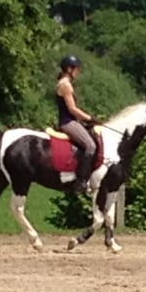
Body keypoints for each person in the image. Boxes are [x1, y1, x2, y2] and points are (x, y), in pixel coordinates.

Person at [56, 54, 99, 193]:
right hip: (68, 122)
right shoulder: (65, 85)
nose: (78, 72)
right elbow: (72, 109)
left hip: (72, 121)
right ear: (69, 69)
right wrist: (89, 118)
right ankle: (81, 181)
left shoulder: (66, 84)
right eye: (76, 69)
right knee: (91, 146)